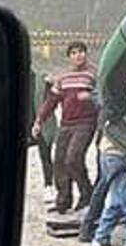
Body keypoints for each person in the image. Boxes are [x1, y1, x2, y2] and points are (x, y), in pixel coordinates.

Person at [32, 41, 99, 213]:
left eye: (81, 52)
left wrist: (90, 96)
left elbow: (103, 96)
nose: (78, 55)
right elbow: (51, 101)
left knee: (73, 158)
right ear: (69, 56)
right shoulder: (62, 77)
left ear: (86, 54)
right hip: (66, 124)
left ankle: (86, 195)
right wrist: (39, 120)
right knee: (60, 162)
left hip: (86, 123)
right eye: (74, 52)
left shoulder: (93, 74)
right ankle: (63, 201)